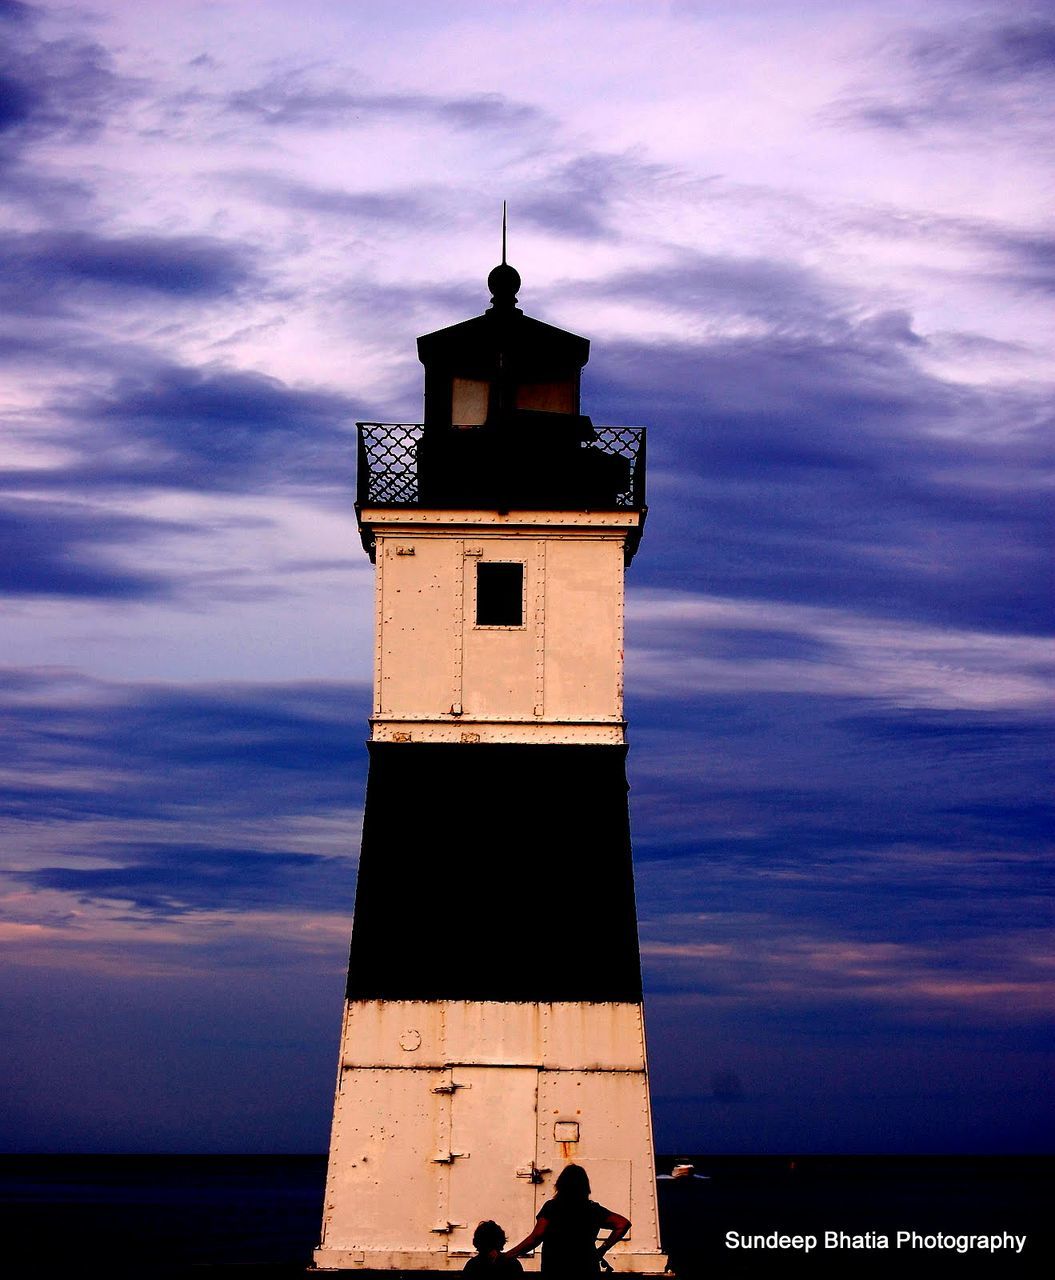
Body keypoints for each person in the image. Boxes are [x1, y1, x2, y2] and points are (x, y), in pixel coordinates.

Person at [505, 1164, 630, 1275]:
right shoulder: (593, 1209)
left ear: (560, 1185)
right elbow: (622, 1224)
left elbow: (537, 1236)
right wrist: (602, 1249)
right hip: (586, 1268)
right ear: (585, 1187)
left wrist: (508, 1255)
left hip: (556, 1268)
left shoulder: (552, 1207)